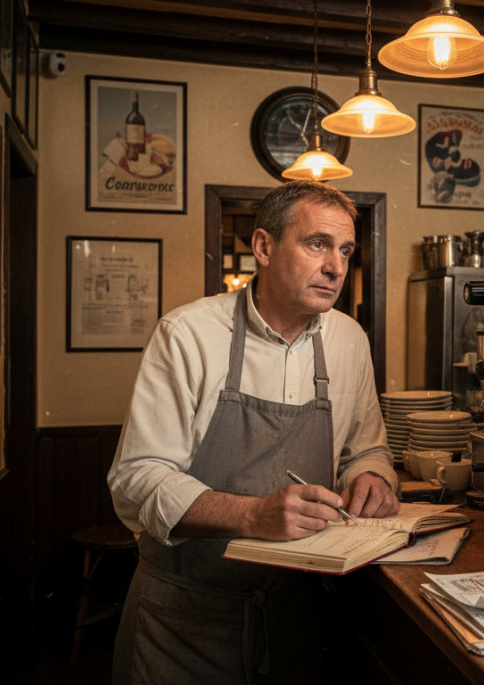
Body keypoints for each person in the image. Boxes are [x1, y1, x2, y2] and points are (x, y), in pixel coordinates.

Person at [108, 179, 399, 684]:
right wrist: (253, 515)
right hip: (186, 621)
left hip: (297, 617)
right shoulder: (188, 335)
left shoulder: (349, 339)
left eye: (345, 251)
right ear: (264, 247)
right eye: (318, 244)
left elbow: (366, 449)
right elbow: (136, 480)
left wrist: (372, 476)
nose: (336, 267)